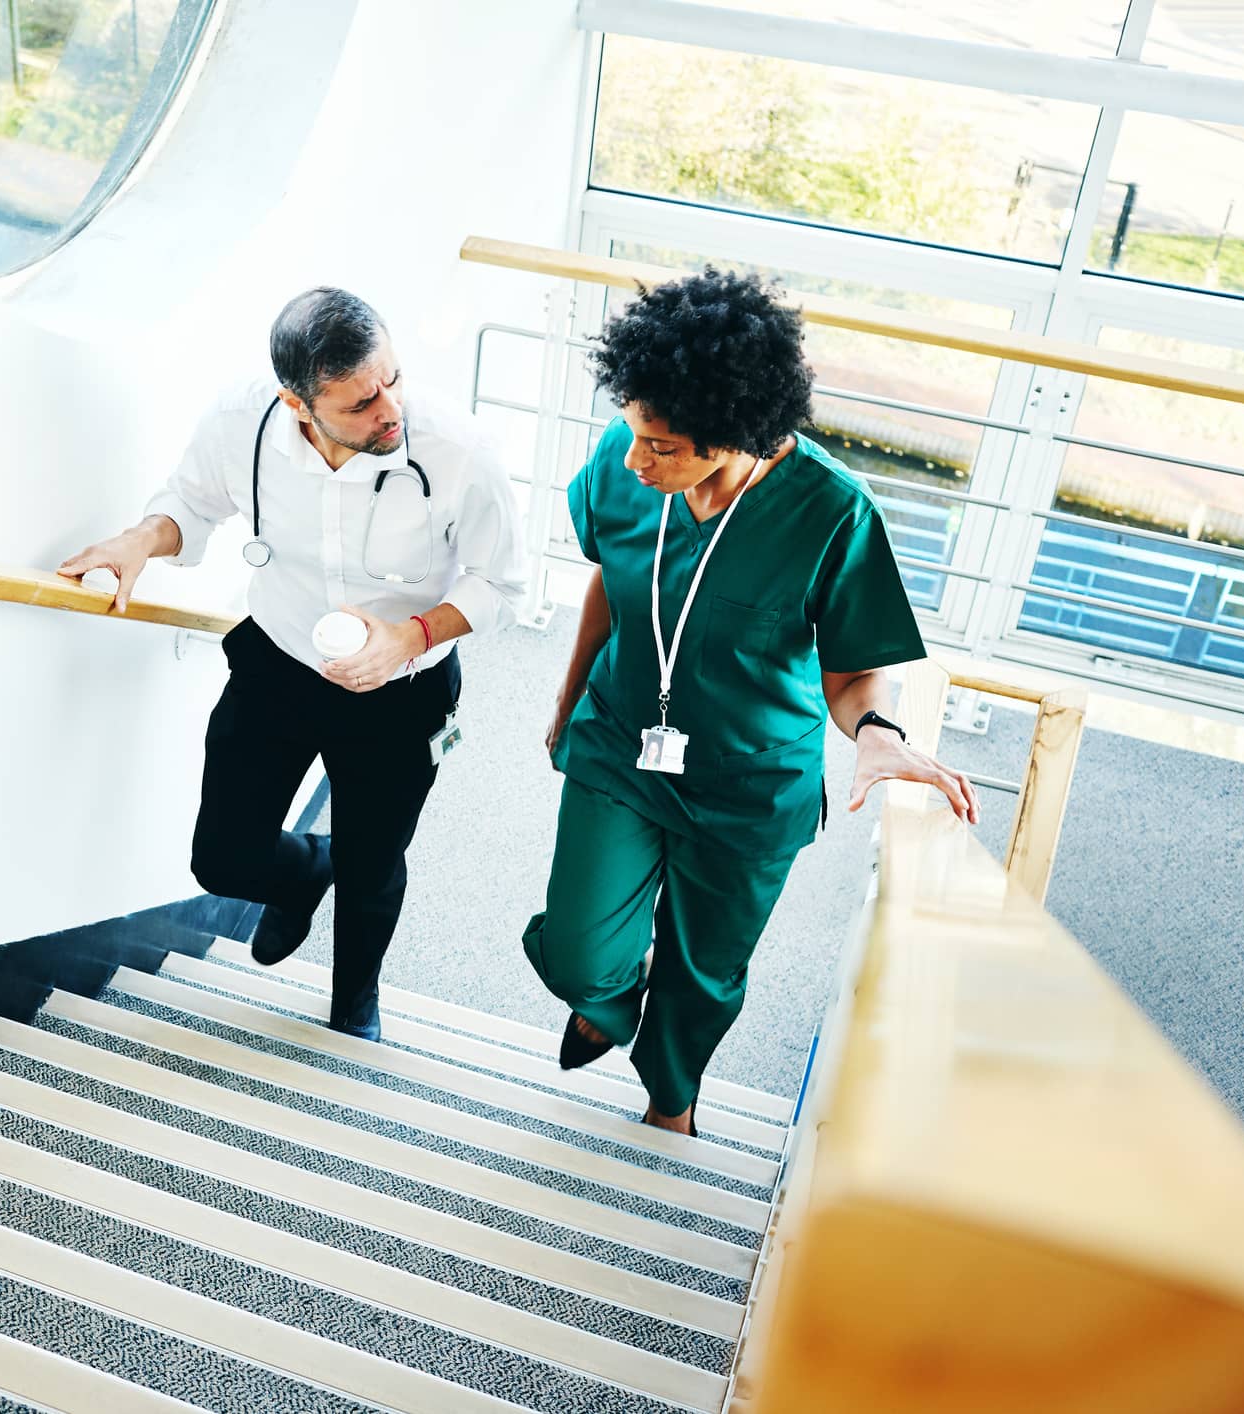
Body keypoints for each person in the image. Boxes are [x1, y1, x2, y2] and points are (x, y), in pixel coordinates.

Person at [530, 268, 979, 1135]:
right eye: (631, 432)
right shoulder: (624, 463)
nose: (632, 459)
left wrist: (877, 734)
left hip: (749, 783)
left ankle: (671, 1100)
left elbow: (849, 673)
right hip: (620, 740)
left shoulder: (832, 514)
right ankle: (612, 1000)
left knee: (704, 973)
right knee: (581, 952)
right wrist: (568, 693)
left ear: (735, 435)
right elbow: (609, 584)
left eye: (659, 446)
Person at [60, 288, 527, 1039]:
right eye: (360, 403)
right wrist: (139, 542)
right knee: (221, 859)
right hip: (277, 661)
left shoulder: (460, 451)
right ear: (297, 403)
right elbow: (191, 501)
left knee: (374, 863)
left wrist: (407, 638)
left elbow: (501, 583)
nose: (390, 411)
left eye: (392, 381)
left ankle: (355, 1002)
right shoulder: (240, 423)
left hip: (401, 691)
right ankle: (307, 870)